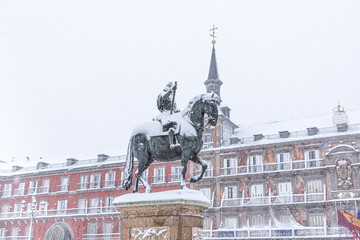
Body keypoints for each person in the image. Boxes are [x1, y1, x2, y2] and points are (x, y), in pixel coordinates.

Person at [154, 82, 180, 150]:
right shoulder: (163, 93)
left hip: (172, 113)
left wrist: (177, 110)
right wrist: (171, 89)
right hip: (165, 113)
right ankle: (172, 143)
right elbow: (165, 97)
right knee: (172, 123)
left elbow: (174, 107)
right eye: (171, 87)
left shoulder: (171, 96)